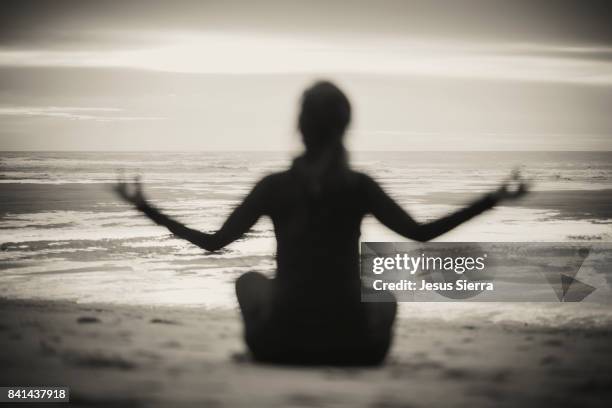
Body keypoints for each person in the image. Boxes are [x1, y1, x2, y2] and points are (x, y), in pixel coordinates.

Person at [115, 81, 529, 366]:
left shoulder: (275, 186)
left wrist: (143, 207)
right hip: (356, 350)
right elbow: (422, 233)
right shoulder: (358, 186)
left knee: (249, 281)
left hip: (277, 346)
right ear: (345, 127)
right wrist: (493, 199)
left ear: (299, 127)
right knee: (383, 295)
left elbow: (212, 242)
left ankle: (268, 336)